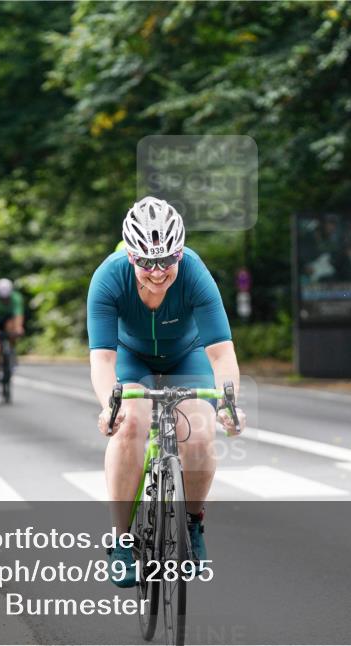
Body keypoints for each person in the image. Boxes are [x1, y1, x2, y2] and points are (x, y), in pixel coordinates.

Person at [87, 196, 246, 588]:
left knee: (200, 431)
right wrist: (111, 406)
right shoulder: (107, 278)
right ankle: (122, 540)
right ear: (129, 256)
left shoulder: (194, 272)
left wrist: (228, 404)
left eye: (166, 262)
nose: (157, 273)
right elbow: (103, 360)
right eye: (145, 263)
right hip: (131, 358)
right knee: (131, 425)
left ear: (180, 253)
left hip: (186, 356)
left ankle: (193, 525)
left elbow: (222, 352)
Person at [0, 278, 25, 391]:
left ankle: (12, 352)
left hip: (9, 320)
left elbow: (18, 314)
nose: (5, 300)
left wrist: (18, 328)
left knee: (12, 328)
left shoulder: (16, 297)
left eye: (6, 298)